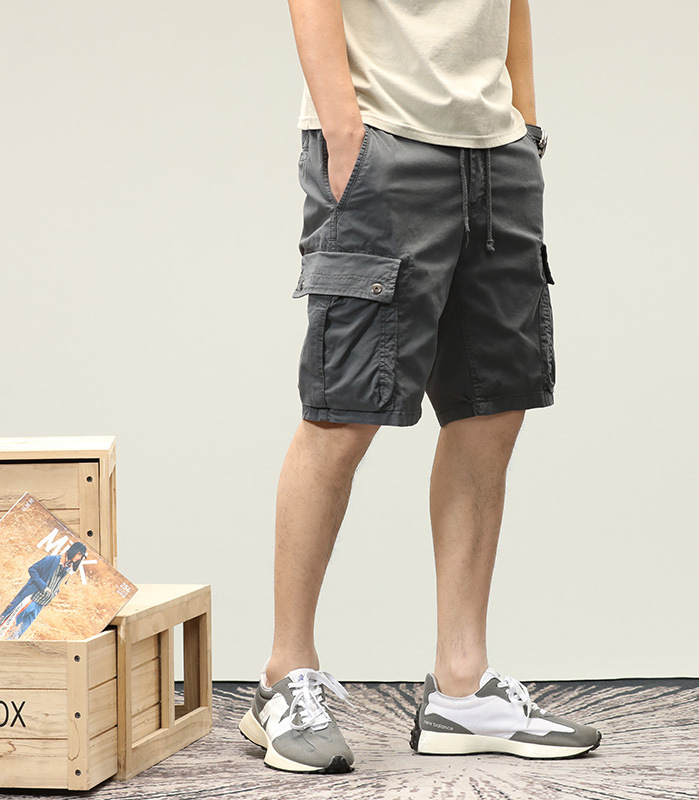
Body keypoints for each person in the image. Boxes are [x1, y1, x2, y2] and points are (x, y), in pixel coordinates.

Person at [238, 0, 601, 773]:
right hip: (384, 142)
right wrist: (344, 134)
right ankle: (284, 676)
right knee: (343, 410)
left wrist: (525, 128)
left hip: (497, 154)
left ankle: (461, 688)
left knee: (491, 411)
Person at [0, 541, 87, 639]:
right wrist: (43, 586)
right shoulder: (52, 560)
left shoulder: (68, 567)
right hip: (32, 597)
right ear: (73, 550)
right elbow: (32, 569)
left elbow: (55, 581)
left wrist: (55, 591)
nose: (79, 557)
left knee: (20, 631)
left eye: (81, 556)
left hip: (41, 603)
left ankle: (8, 644)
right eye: (79, 554)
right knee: (9, 621)